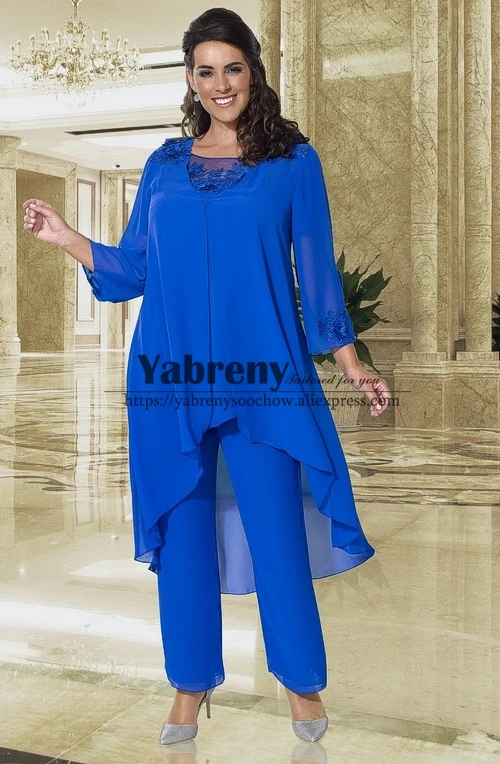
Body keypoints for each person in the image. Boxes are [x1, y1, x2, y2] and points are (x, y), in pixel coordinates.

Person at [22, 7, 391, 746]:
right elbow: (135, 269)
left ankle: (302, 685)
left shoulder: (294, 163)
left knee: (277, 533)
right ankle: (189, 688)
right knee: (183, 539)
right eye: (205, 71)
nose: (220, 84)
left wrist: (351, 361)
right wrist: (67, 238)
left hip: (264, 380)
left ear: (253, 72)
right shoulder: (163, 165)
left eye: (232, 68)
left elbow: (316, 269)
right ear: (191, 80)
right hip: (170, 378)